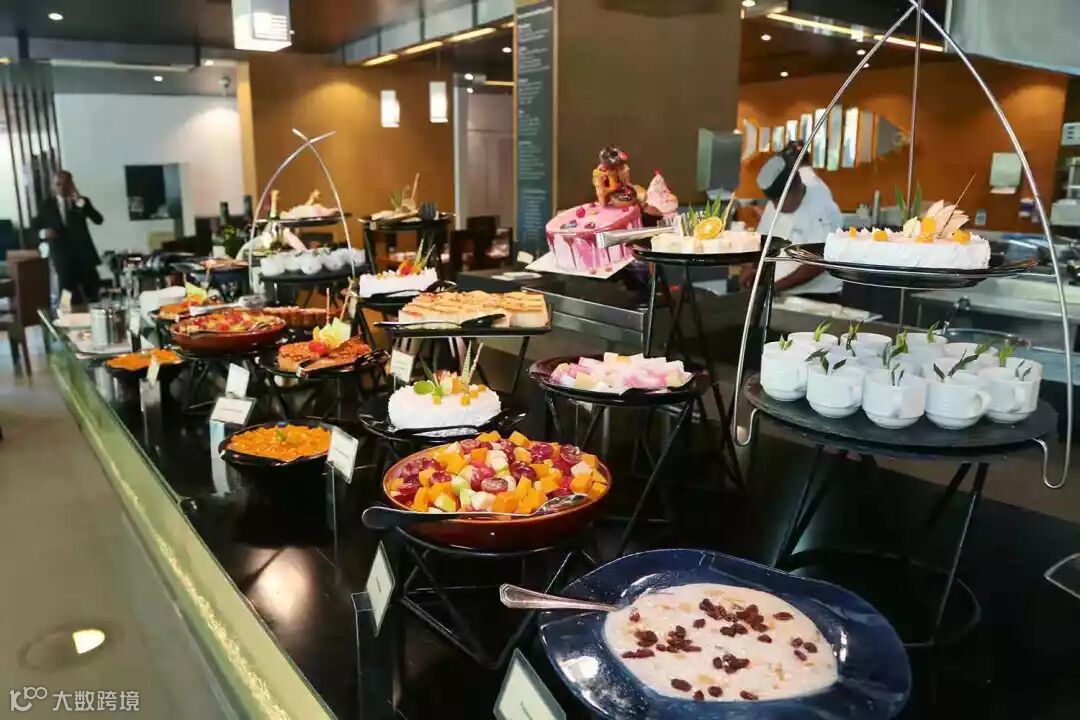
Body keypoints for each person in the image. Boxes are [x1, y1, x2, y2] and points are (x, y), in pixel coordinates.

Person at [742, 145, 843, 301]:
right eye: (772, 201)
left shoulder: (822, 206)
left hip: (815, 298)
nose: (775, 206)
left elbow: (817, 262)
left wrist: (774, 286)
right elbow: (761, 241)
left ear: (797, 186)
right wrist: (750, 268)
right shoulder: (774, 205)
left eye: (780, 200)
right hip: (778, 295)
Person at [36, 170, 104, 304]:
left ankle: (94, 312)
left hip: (84, 256)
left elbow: (98, 220)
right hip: (62, 257)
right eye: (58, 184)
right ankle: (66, 315)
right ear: (53, 186)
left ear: (72, 184)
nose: (62, 187)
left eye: (66, 183)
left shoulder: (81, 202)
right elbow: (34, 227)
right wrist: (43, 233)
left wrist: (79, 202)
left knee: (92, 290)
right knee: (66, 295)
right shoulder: (47, 205)